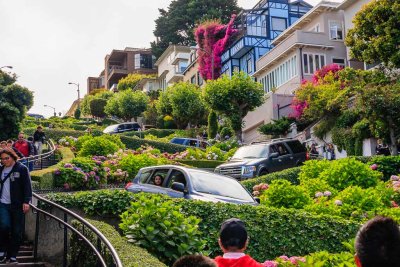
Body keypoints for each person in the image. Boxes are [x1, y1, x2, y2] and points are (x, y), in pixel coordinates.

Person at [0, 149, 32, 264]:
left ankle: (13, 255)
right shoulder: (1, 169)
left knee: (17, 231)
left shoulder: (22, 168)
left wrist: (26, 201)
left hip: (17, 205)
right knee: (4, 226)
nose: (4, 161)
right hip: (3, 204)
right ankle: (2, 250)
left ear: (13, 157)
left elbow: (27, 186)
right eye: (2, 159)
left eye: (6, 158)